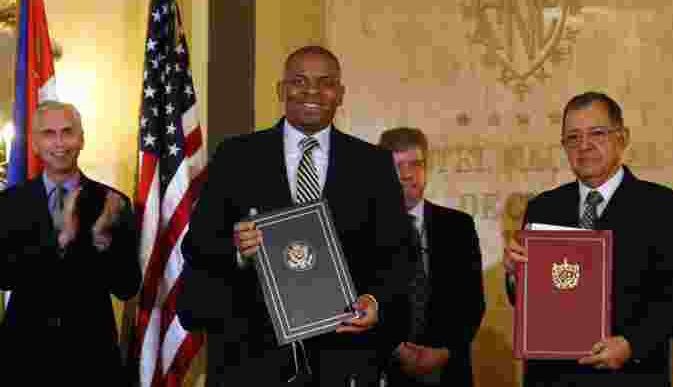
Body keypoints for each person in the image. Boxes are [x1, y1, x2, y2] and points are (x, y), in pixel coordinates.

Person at [180, 46, 413, 386]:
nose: (312, 92)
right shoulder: (236, 156)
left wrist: (375, 300)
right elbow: (196, 244)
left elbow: (399, 256)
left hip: (342, 358)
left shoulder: (372, 164)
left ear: (341, 94)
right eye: (299, 81)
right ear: (281, 90)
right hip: (250, 358)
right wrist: (236, 248)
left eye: (326, 83)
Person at [502, 91, 673, 387]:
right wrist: (517, 275)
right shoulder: (544, 207)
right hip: (552, 378)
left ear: (622, 138)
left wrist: (632, 344)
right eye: (573, 137)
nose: (584, 146)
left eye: (597, 133)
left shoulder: (666, 208)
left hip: (630, 377)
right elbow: (528, 302)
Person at [0, 101, 140, 384]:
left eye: (68, 132)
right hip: (24, 359)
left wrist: (103, 243)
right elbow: (4, 276)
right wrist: (58, 241)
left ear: (82, 139)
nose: (60, 143)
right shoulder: (9, 204)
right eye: (49, 134)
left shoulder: (112, 203)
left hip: (92, 360)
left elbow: (127, 287)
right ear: (35, 144)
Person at [378, 127, 486, 387]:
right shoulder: (366, 228)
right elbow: (359, 302)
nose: (407, 174)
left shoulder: (458, 226)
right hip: (386, 371)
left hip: (448, 371)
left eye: (415, 164)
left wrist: (444, 353)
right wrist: (395, 349)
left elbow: (473, 304)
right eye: (398, 166)